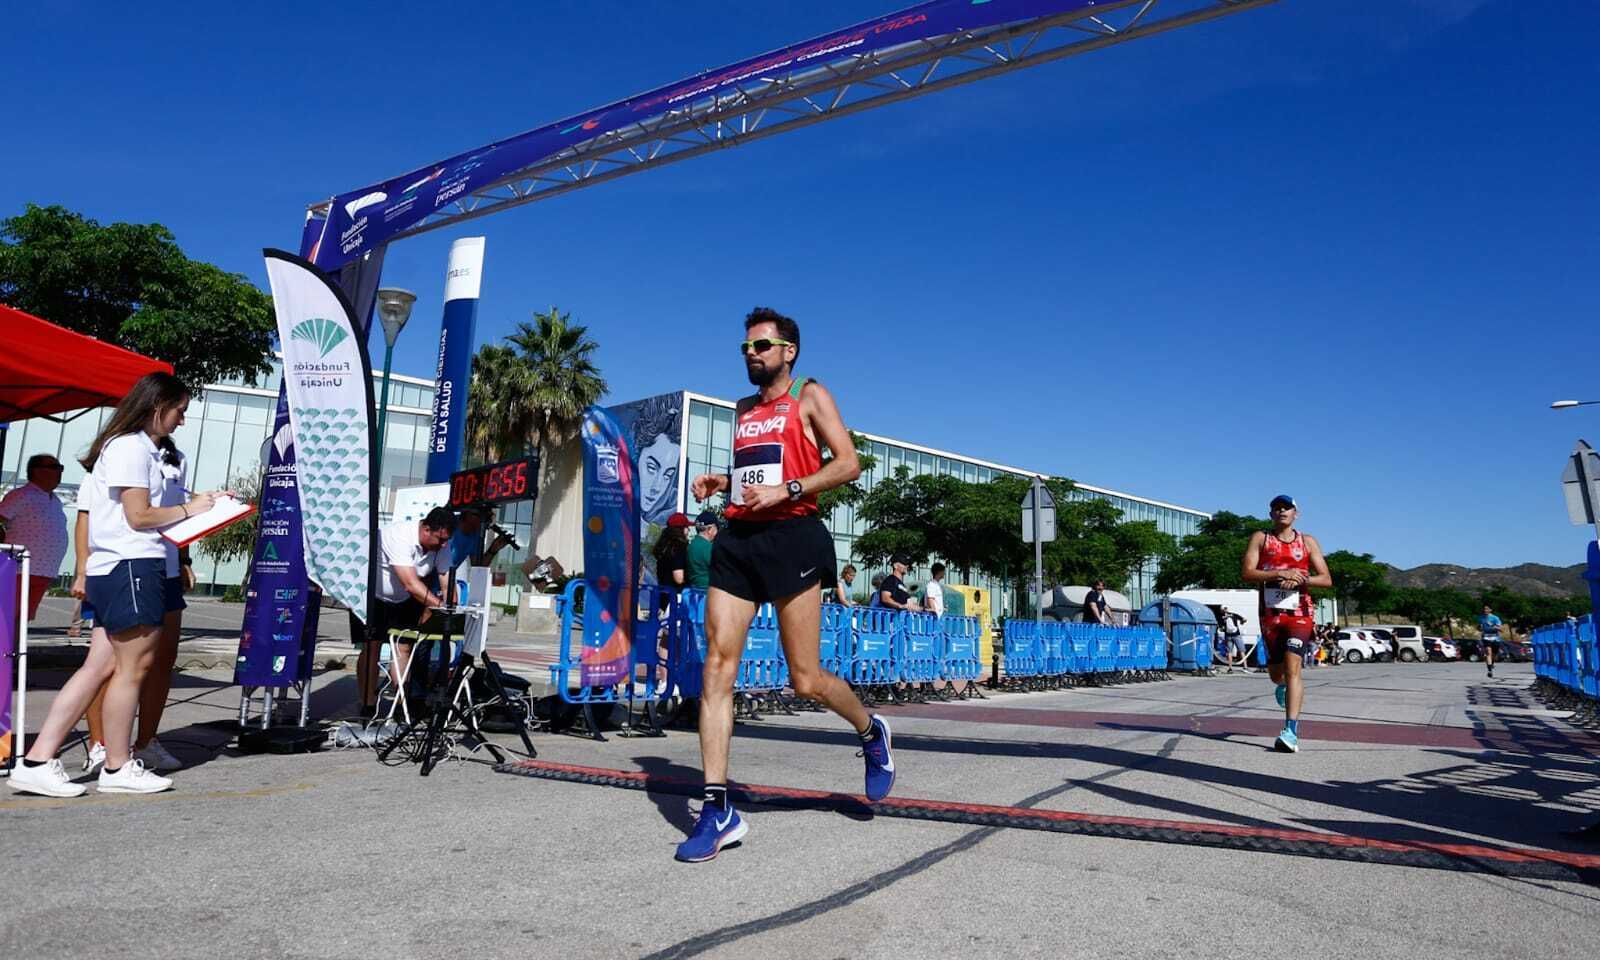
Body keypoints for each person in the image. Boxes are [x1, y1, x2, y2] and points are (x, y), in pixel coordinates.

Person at [678, 306, 895, 862]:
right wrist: (724, 480)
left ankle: (872, 732)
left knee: (806, 679)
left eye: (762, 346)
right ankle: (717, 807)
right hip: (739, 540)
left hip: (794, 537)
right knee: (717, 668)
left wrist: (791, 490)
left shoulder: (810, 395)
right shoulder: (743, 408)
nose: (752, 354)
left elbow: (848, 464)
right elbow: (759, 476)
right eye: (746, 348)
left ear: (788, 350)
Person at [8, 372, 217, 797]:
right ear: (158, 407)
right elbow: (138, 516)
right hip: (131, 565)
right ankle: (117, 764)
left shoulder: (132, 448)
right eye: (179, 411)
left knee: (99, 666)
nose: (181, 421)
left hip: (120, 567)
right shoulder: (129, 447)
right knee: (131, 668)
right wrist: (190, 508)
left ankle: (38, 759)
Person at [1241, 494, 1332, 754]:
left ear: (1296, 513)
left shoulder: (1307, 542)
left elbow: (1325, 578)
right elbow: (1247, 572)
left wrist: (1301, 579)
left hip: (1300, 613)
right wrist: (1279, 573)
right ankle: (1281, 686)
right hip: (1270, 615)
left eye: (1287, 508)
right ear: (1271, 514)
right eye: (1277, 508)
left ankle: (1290, 731)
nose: (1282, 511)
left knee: (1294, 668)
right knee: (1276, 674)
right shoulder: (1261, 538)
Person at [359, 507, 455, 716]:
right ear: (426, 529)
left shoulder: (442, 544)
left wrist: (452, 606)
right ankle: (367, 706)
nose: (443, 545)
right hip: (373, 595)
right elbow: (410, 583)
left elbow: (447, 583)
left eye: (447, 540)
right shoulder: (399, 536)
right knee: (371, 648)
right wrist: (441, 606)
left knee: (403, 648)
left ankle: (401, 704)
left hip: (405, 598)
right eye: (440, 539)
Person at [0, 453, 70, 621]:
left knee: (23, 618)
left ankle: (12, 647)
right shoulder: (21, 495)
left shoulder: (56, 500)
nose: (60, 472)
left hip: (44, 570)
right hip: (18, 568)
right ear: (37, 471)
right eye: (55, 468)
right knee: (7, 615)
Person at [653, 512, 690, 589]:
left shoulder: (664, 545)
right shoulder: (679, 546)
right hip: (675, 595)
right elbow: (679, 578)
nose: (688, 530)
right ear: (681, 529)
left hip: (663, 592)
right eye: (687, 527)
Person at [686, 511, 718, 590]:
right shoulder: (709, 548)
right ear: (710, 529)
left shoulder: (691, 545)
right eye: (716, 528)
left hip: (694, 590)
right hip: (708, 591)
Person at [1479, 604, 1504, 678]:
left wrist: (1492, 625)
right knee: (1488, 652)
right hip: (1486, 638)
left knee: (1494, 655)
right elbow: (1480, 628)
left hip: (1495, 638)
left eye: (1487, 609)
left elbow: (1501, 629)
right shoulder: (1481, 618)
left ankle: (1492, 663)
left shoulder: (1495, 618)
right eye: (1484, 609)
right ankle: (1489, 670)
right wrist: (1479, 628)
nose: (1485, 610)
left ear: (1490, 610)